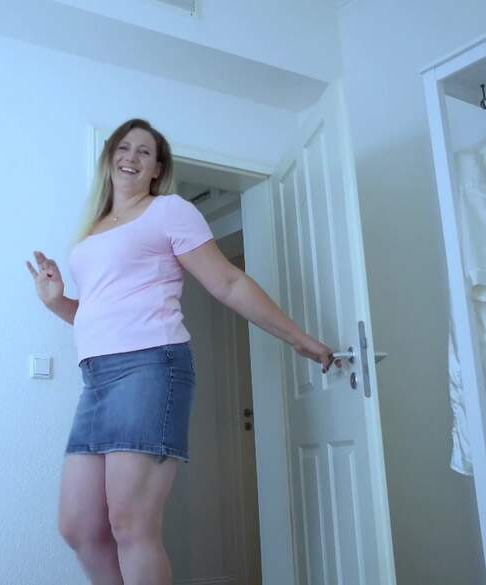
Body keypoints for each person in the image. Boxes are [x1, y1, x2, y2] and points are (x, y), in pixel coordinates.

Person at [26, 118, 340, 585]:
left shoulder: (169, 211)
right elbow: (99, 314)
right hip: (96, 380)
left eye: (144, 152)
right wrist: (57, 303)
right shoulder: (93, 230)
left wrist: (300, 338)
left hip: (150, 368)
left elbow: (228, 282)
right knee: (79, 527)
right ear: (109, 158)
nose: (131, 157)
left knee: (131, 525)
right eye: (123, 148)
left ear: (157, 169)